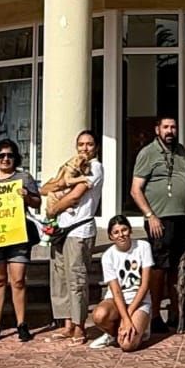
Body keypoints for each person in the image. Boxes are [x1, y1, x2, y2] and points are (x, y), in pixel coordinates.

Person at [129, 115, 185, 329]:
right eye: (165, 127)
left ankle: (178, 315)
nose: (170, 131)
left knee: (180, 267)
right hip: (160, 219)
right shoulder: (148, 153)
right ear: (157, 130)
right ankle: (155, 316)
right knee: (159, 268)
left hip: (182, 218)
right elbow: (135, 189)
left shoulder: (182, 151)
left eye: (173, 127)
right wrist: (150, 216)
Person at [0, 138, 41, 343]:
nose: (6, 159)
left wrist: (26, 196)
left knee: (18, 280)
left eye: (10, 155)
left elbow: (37, 202)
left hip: (18, 236)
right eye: (1, 155)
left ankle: (22, 323)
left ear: (15, 158)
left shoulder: (24, 177)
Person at [47, 130, 104, 343]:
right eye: (81, 144)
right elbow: (49, 187)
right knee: (60, 277)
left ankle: (80, 326)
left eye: (89, 144)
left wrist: (53, 210)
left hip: (79, 230)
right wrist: (57, 187)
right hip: (61, 229)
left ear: (95, 147)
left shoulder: (95, 167)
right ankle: (67, 324)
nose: (84, 148)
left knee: (76, 279)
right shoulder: (70, 164)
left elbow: (76, 194)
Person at [89, 216, 153, 351]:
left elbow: (145, 285)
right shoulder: (108, 256)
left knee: (127, 345)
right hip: (116, 300)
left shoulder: (143, 247)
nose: (121, 235)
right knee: (99, 315)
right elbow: (116, 291)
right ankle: (112, 334)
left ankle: (141, 327)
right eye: (116, 232)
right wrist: (126, 319)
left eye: (124, 230)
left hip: (139, 301)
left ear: (130, 231)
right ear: (110, 236)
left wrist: (127, 317)